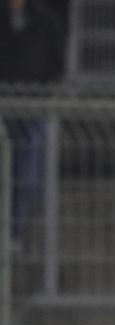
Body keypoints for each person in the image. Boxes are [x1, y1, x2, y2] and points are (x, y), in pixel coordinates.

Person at [0, 0, 65, 249]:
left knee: (29, 169)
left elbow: (56, 67)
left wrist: (41, 96)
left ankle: (12, 233)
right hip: (3, 107)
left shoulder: (46, 21)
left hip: (31, 107)